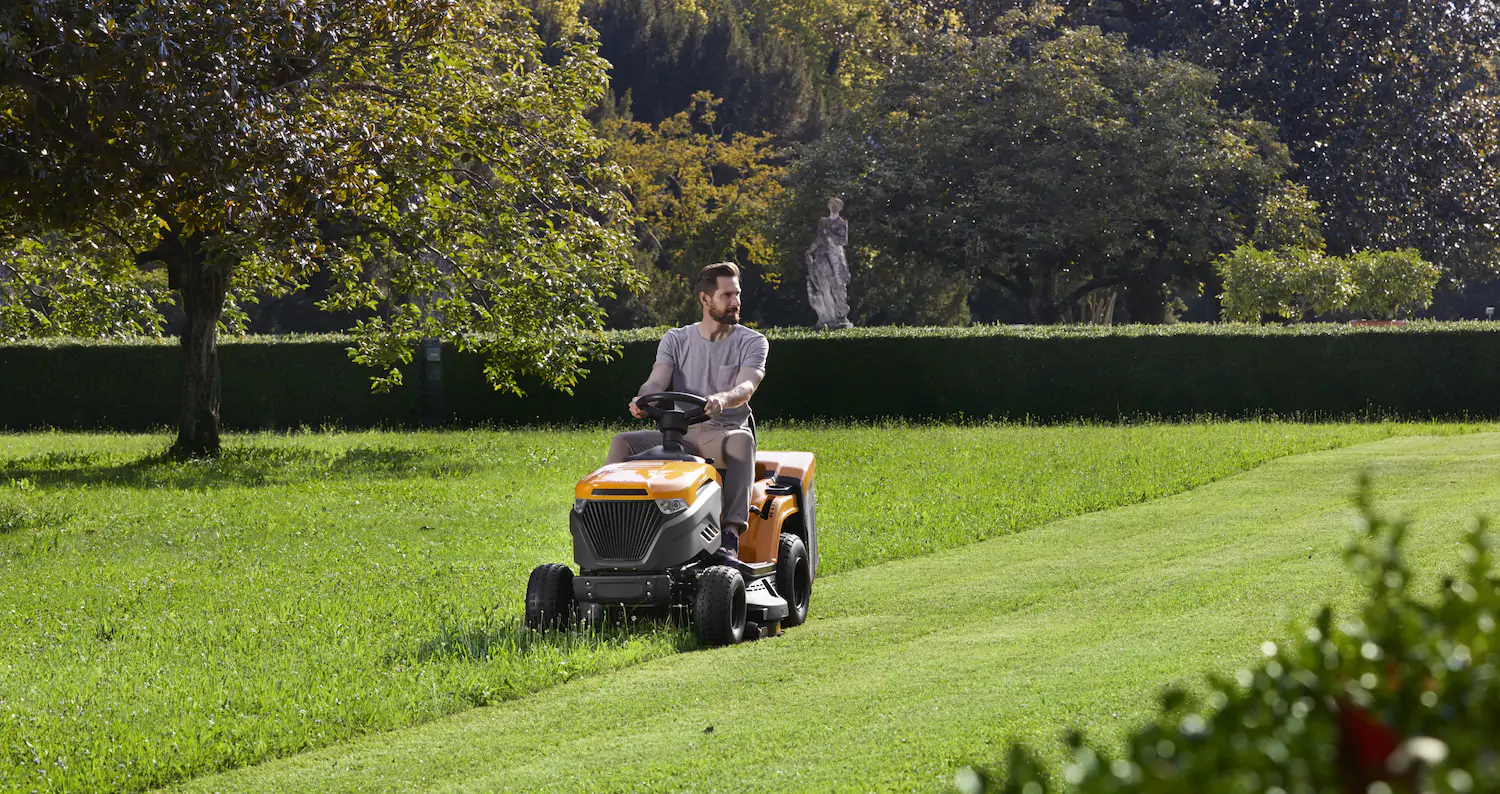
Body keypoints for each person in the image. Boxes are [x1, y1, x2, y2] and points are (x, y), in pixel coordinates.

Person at [607, 262, 768, 560]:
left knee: (743, 442)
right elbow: (655, 381)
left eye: (737, 294)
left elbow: (746, 387)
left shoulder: (753, 342)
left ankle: (730, 536)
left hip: (722, 435)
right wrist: (643, 400)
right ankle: (615, 531)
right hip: (680, 434)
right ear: (705, 299)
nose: (736, 302)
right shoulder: (676, 340)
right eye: (727, 295)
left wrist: (722, 399)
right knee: (623, 442)